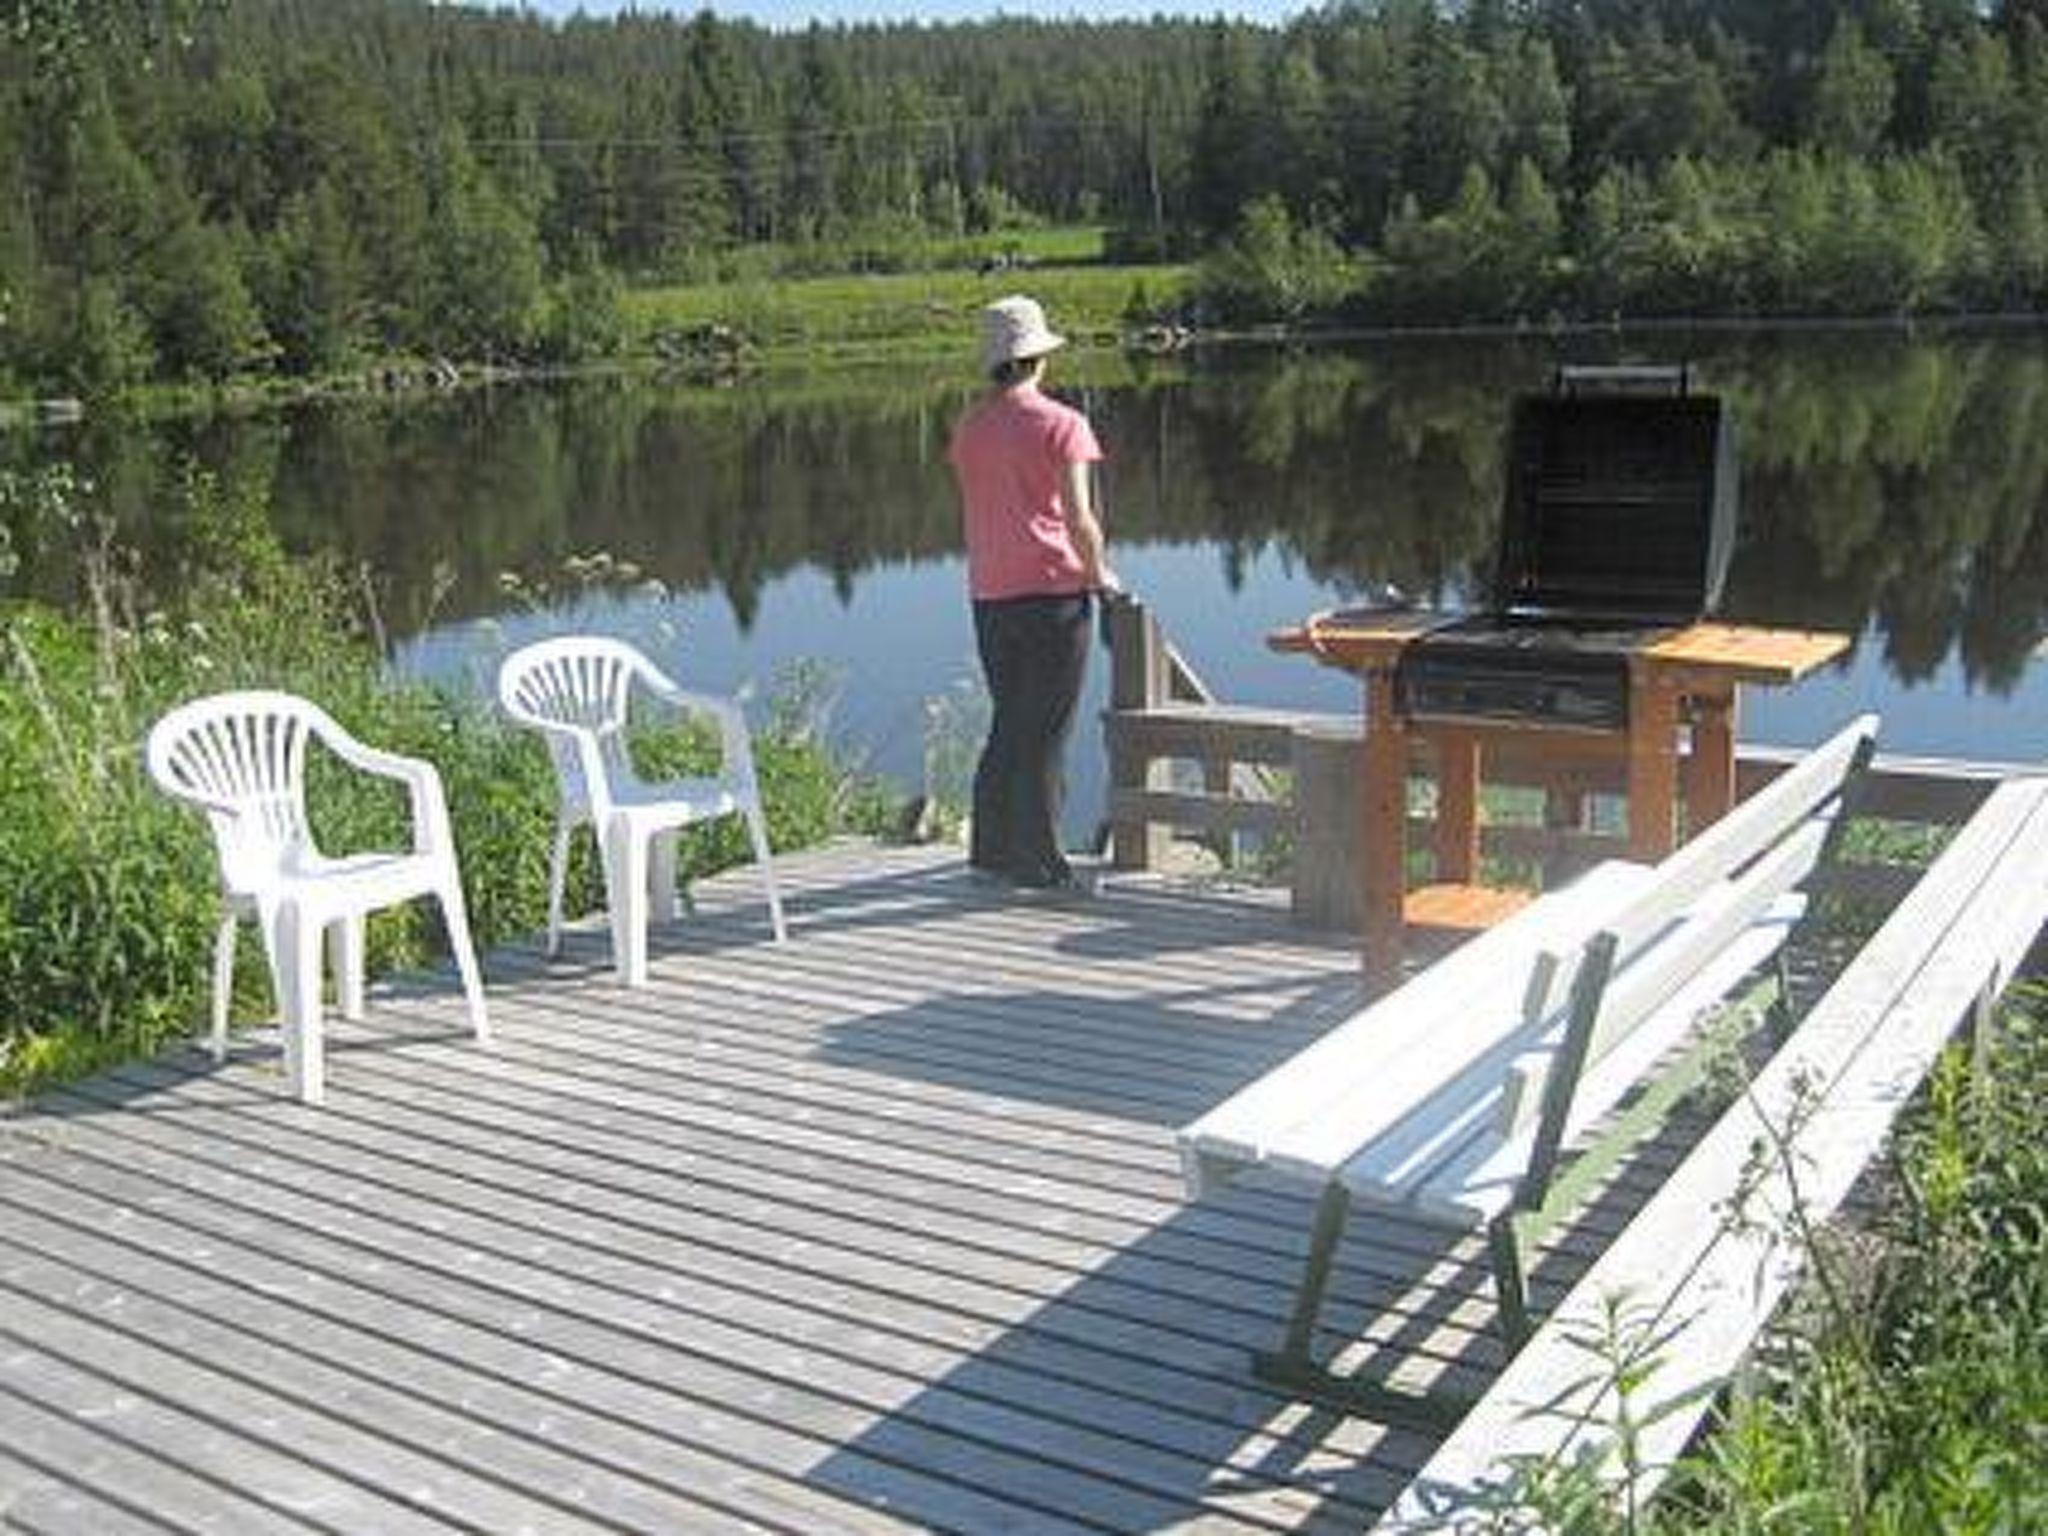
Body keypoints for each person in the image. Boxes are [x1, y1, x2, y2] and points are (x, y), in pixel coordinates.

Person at [947, 294, 1117, 892]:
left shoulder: (969, 426)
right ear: (1037, 359)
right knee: (1047, 730)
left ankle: (991, 850)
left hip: (989, 593)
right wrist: (1101, 575)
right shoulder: (1063, 424)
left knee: (1010, 721)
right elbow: (1078, 517)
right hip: (1052, 593)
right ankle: (1042, 861)